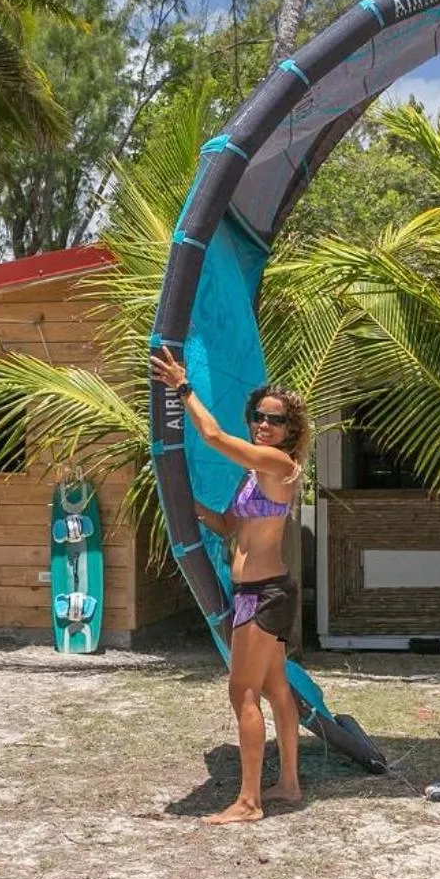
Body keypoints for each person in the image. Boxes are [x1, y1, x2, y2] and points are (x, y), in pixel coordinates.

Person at [150, 347, 311, 824]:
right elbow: (234, 529)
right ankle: (289, 784)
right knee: (277, 687)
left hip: (264, 596)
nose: (264, 425)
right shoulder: (255, 474)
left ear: (289, 432)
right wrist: (195, 507)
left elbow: (214, 434)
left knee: (243, 690)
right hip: (261, 592)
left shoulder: (278, 464)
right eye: (259, 417)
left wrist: (182, 386)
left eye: (275, 421)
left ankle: (249, 802)